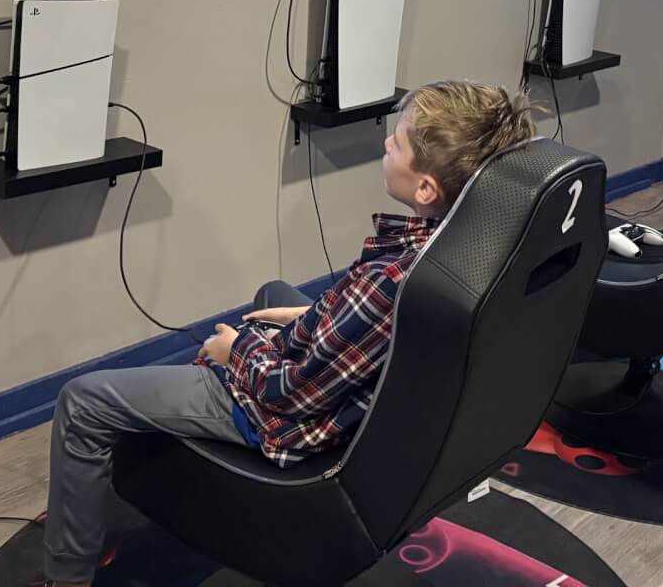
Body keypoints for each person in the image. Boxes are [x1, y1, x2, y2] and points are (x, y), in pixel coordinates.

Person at [36, 81, 536, 587]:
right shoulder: (468, 250)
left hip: (287, 421)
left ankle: (67, 577)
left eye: (398, 143)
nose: (387, 144)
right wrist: (313, 315)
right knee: (271, 295)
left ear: (426, 188)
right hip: (353, 395)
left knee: (83, 402)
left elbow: (290, 391)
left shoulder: (393, 282)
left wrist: (236, 351)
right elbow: (365, 334)